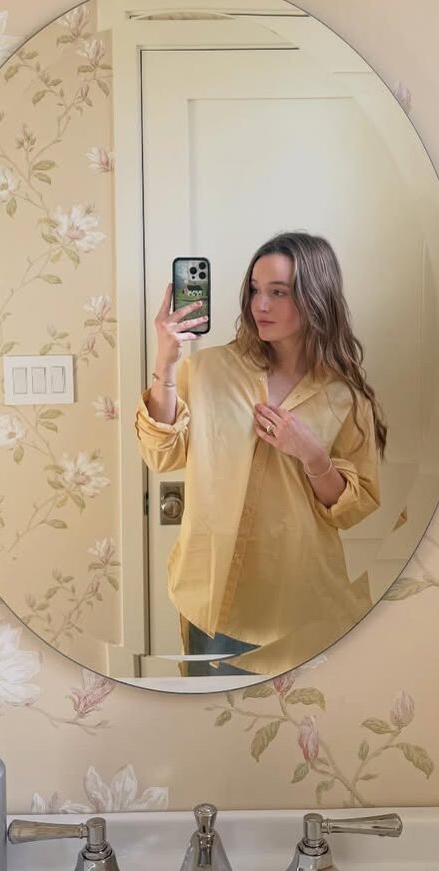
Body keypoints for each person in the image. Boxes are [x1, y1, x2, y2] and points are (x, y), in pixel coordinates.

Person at [134, 231, 387, 677]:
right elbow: (162, 454)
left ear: (316, 298)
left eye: (278, 292)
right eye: (254, 290)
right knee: (211, 721)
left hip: (300, 605)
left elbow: (353, 507)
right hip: (213, 602)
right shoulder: (207, 371)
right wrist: (166, 365)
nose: (260, 305)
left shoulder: (345, 397)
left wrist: (312, 455)